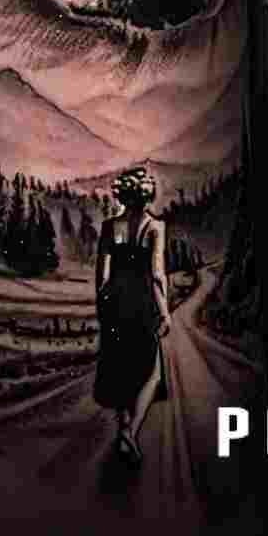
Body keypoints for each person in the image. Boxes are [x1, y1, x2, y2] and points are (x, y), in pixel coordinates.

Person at [94, 166, 171, 468]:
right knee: (152, 373)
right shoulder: (155, 227)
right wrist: (164, 312)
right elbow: (157, 275)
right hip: (141, 302)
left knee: (120, 366)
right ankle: (130, 432)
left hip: (115, 301)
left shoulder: (110, 227)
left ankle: (124, 426)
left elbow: (102, 275)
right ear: (147, 194)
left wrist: (103, 305)